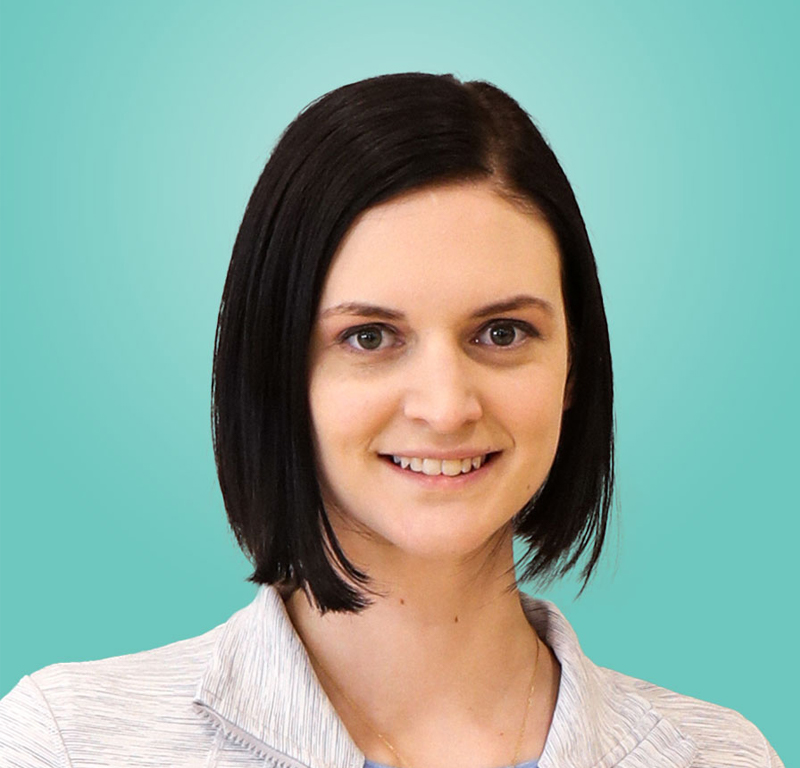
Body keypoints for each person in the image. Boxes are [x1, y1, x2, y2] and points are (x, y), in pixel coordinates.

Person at [0, 72, 783, 768]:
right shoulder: (66, 746)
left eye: (501, 333)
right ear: (276, 371)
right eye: (369, 337)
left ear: (575, 367)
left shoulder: (722, 758)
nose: (445, 408)